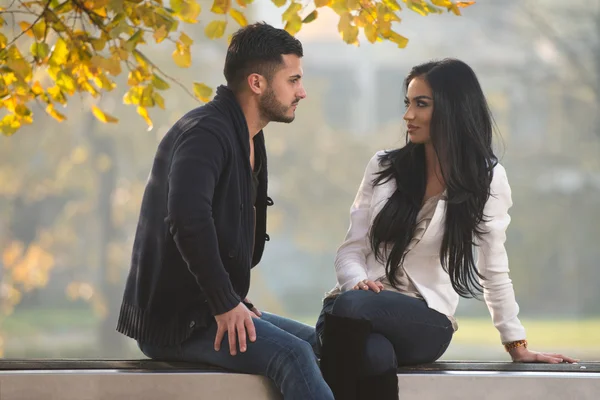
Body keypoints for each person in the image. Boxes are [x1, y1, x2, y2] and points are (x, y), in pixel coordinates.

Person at [315, 58, 578, 400]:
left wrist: (517, 345)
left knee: (351, 307)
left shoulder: (486, 179)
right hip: (350, 313)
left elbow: (493, 270)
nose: (408, 115)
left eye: (421, 104)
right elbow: (351, 249)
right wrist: (356, 281)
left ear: (454, 109)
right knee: (373, 353)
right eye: (407, 103)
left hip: (423, 322)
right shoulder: (383, 167)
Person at [116, 22, 334, 400]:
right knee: (294, 355)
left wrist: (230, 296)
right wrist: (224, 301)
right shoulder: (206, 133)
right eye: (293, 80)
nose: (302, 92)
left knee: (323, 345)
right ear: (257, 83)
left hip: (208, 309)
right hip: (177, 324)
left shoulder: (247, 135)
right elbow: (187, 218)